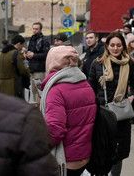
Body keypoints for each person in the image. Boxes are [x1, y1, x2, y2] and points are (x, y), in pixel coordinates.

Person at [0, 13, 58, 174]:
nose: (35, 30)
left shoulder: (7, 53)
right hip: (16, 86)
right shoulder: (23, 118)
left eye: (37, 28)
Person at [88, 31, 134, 176]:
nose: (115, 48)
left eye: (118, 45)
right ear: (107, 46)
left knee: (119, 152)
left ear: (123, 46)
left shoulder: (129, 63)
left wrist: (132, 96)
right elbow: (90, 87)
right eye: (112, 45)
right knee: (102, 150)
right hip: (102, 114)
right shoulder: (97, 63)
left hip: (121, 115)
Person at [40, 45, 97, 176]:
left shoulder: (55, 90)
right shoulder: (84, 83)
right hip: (84, 155)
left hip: (66, 159)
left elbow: (55, 128)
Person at [25, 21, 51, 103]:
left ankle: (41, 110)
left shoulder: (44, 40)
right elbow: (30, 52)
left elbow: (46, 54)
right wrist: (27, 55)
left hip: (40, 69)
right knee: (33, 91)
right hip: (32, 69)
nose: (34, 30)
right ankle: (37, 109)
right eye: (33, 29)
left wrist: (34, 55)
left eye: (36, 29)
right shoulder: (32, 39)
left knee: (40, 92)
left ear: (40, 30)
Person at [0, 34, 30, 98]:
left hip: (1, 85)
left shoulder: (0, 53)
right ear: (18, 44)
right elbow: (23, 70)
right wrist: (24, 59)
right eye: (23, 44)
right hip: (13, 86)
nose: (23, 47)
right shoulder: (16, 53)